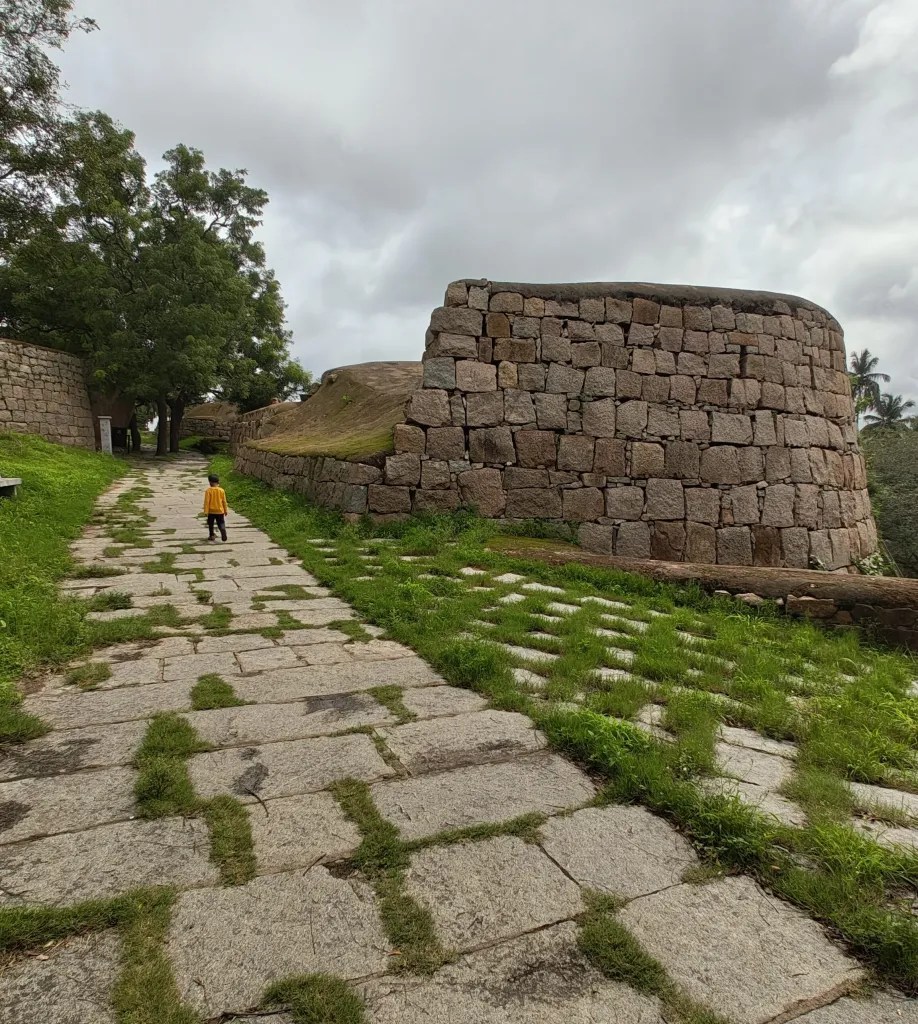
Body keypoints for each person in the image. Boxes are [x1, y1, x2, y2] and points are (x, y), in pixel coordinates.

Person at [203, 474, 229, 542]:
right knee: (221, 522)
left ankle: (211, 535)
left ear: (210, 482)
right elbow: (224, 501)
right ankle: (222, 529)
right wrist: (225, 510)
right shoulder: (221, 490)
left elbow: (207, 502)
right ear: (218, 482)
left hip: (211, 511)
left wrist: (206, 511)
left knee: (210, 523)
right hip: (220, 511)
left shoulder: (208, 491)